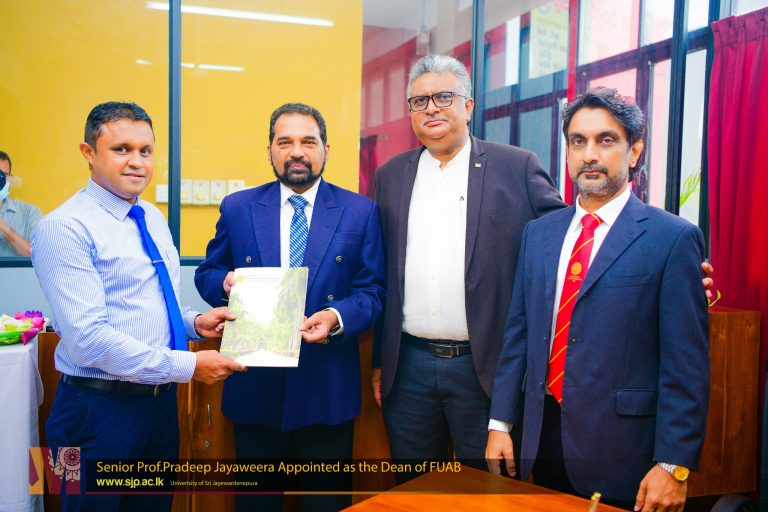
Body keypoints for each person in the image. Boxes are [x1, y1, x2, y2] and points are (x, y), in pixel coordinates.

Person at [486, 88, 710, 512]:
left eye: (606, 140)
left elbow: (687, 366)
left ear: (634, 150)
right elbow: (518, 336)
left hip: (625, 451)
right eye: (578, 141)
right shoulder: (539, 234)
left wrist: (673, 464)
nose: (589, 154)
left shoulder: (672, 238)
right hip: (542, 440)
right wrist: (500, 423)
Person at [31, 101, 246, 512]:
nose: (137, 161)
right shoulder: (63, 227)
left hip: (157, 406)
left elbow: (143, 305)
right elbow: (88, 342)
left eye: (145, 151)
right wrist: (190, 366)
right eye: (122, 149)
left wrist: (195, 323)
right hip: (89, 411)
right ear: (88, 152)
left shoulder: (150, 215)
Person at [372, 53, 564, 475]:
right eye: (419, 101)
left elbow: (566, 238)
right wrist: (380, 362)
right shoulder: (390, 176)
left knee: (490, 492)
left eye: (444, 97)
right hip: (410, 367)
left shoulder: (516, 167)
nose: (431, 109)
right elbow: (380, 270)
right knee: (414, 492)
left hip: (486, 368)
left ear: (468, 106)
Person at [195, 102, 386, 512]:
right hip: (255, 387)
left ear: (326, 149)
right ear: (269, 150)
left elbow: (372, 291)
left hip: (326, 389)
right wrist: (224, 283)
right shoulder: (238, 207)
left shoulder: (359, 211)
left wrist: (335, 317)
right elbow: (207, 273)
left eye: (308, 142)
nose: (296, 152)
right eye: (285, 142)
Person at [0, 150, 42, 256]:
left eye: (3, 175)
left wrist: (4, 228)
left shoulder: (30, 212)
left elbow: (38, 255)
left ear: (10, 179)